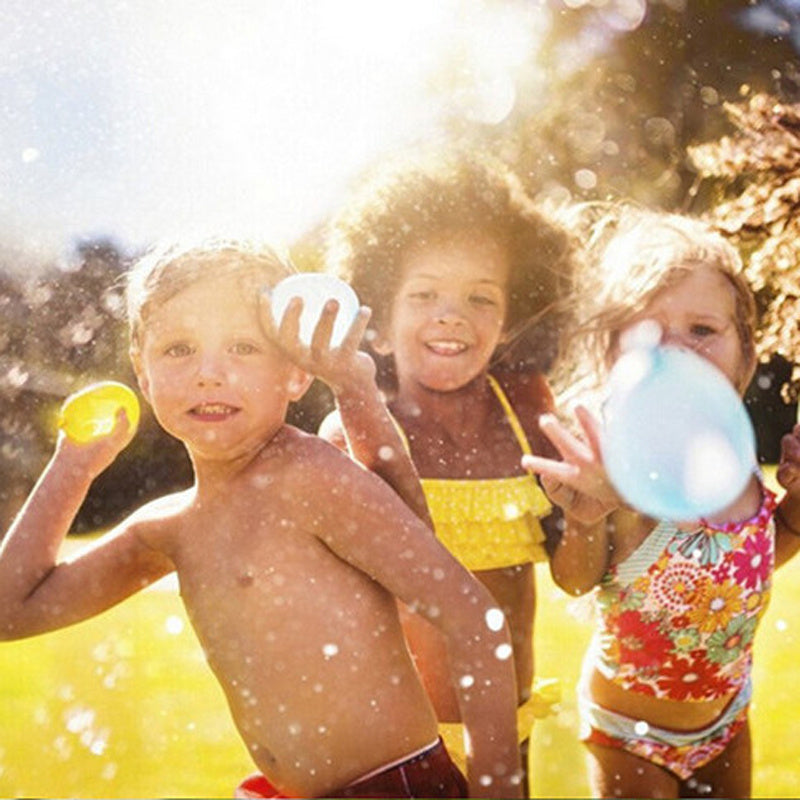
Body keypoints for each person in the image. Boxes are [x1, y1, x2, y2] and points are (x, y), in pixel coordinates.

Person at [0, 239, 524, 799]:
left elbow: (473, 617)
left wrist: (499, 788)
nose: (209, 374)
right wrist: (73, 466)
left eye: (243, 347)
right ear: (143, 374)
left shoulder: (307, 477)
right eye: (178, 349)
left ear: (297, 373)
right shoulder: (170, 528)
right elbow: (12, 610)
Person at [319, 148, 580, 788]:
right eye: (425, 294)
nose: (451, 315)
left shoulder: (530, 412)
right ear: (375, 323)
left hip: (506, 725)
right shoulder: (352, 433)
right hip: (396, 744)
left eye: (480, 298)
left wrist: (591, 506)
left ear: (512, 318)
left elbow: (574, 569)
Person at [521, 206, 800, 799]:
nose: (676, 352)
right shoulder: (621, 465)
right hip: (630, 733)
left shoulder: (740, 460)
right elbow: (577, 581)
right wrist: (585, 518)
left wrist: (798, 505)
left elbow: (755, 557)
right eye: (649, 334)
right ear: (611, 357)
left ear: (746, 354)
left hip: (728, 718)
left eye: (702, 330)